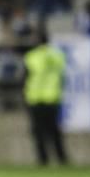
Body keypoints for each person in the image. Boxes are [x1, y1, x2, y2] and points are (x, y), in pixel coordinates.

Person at [22, 30, 68, 166]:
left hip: (35, 98)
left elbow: (25, 78)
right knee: (54, 131)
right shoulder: (58, 56)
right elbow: (61, 76)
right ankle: (61, 158)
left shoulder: (31, 56)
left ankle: (43, 160)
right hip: (53, 97)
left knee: (38, 132)